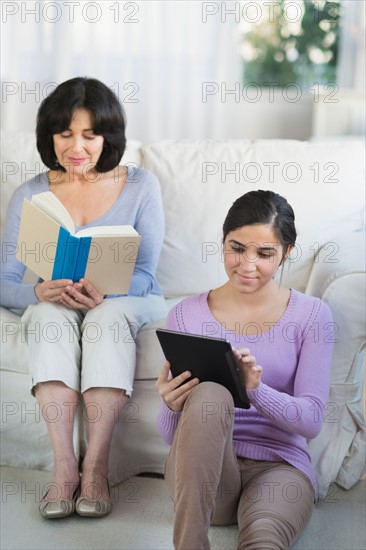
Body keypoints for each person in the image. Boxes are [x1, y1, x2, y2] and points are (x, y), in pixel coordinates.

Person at [0, 77, 167, 519]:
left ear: (107, 137)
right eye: (65, 134)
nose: (77, 147)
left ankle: (95, 468)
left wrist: (106, 287)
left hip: (130, 300)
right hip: (61, 296)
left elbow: (147, 276)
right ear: (49, 136)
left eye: (90, 135)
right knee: (48, 313)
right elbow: (4, 281)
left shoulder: (140, 185)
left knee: (107, 315)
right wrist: (38, 290)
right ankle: (64, 469)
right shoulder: (30, 194)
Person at [156, 190, 334, 550]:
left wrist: (255, 389)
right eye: (236, 248)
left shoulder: (312, 316)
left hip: (279, 468)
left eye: (265, 253)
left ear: (287, 252)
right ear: (223, 242)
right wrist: (172, 406)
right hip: (206, 473)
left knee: (264, 539)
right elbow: (170, 436)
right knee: (210, 392)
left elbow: (312, 421)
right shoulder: (185, 315)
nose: (247, 264)